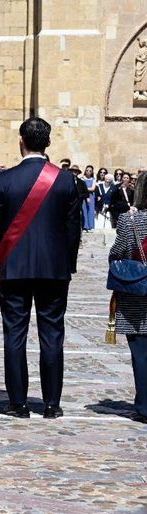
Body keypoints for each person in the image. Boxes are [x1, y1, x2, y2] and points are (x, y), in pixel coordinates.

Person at [0, 117, 82, 419]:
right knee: (52, 335)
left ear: (20, 141)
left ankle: (18, 402)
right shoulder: (67, 180)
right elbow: (73, 230)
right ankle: (52, 403)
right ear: (48, 143)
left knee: (14, 334)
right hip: (54, 269)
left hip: (14, 268)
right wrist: (67, 264)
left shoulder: (3, 181)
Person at [108, 173, 147, 423]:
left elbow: (117, 253)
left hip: (138, 294)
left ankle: (144, 405)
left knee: (141, 353)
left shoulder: (130, 220)